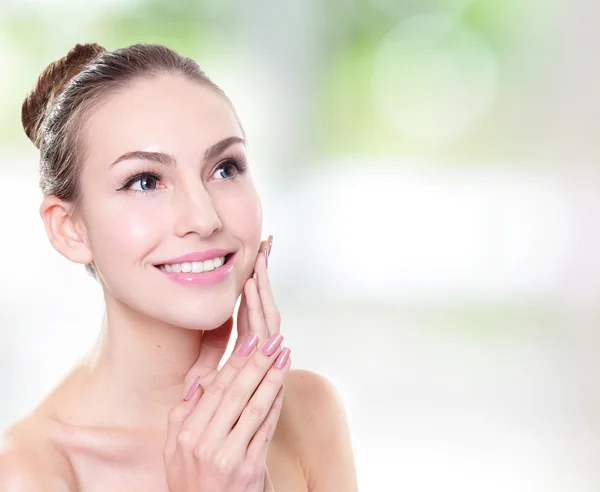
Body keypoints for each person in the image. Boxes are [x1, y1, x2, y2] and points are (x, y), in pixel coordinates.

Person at [0, 43, 358, 491]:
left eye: (225, 169)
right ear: (70, 228)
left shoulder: (308, 410)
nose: (205, 219)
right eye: (145, 181)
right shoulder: (29, 474)